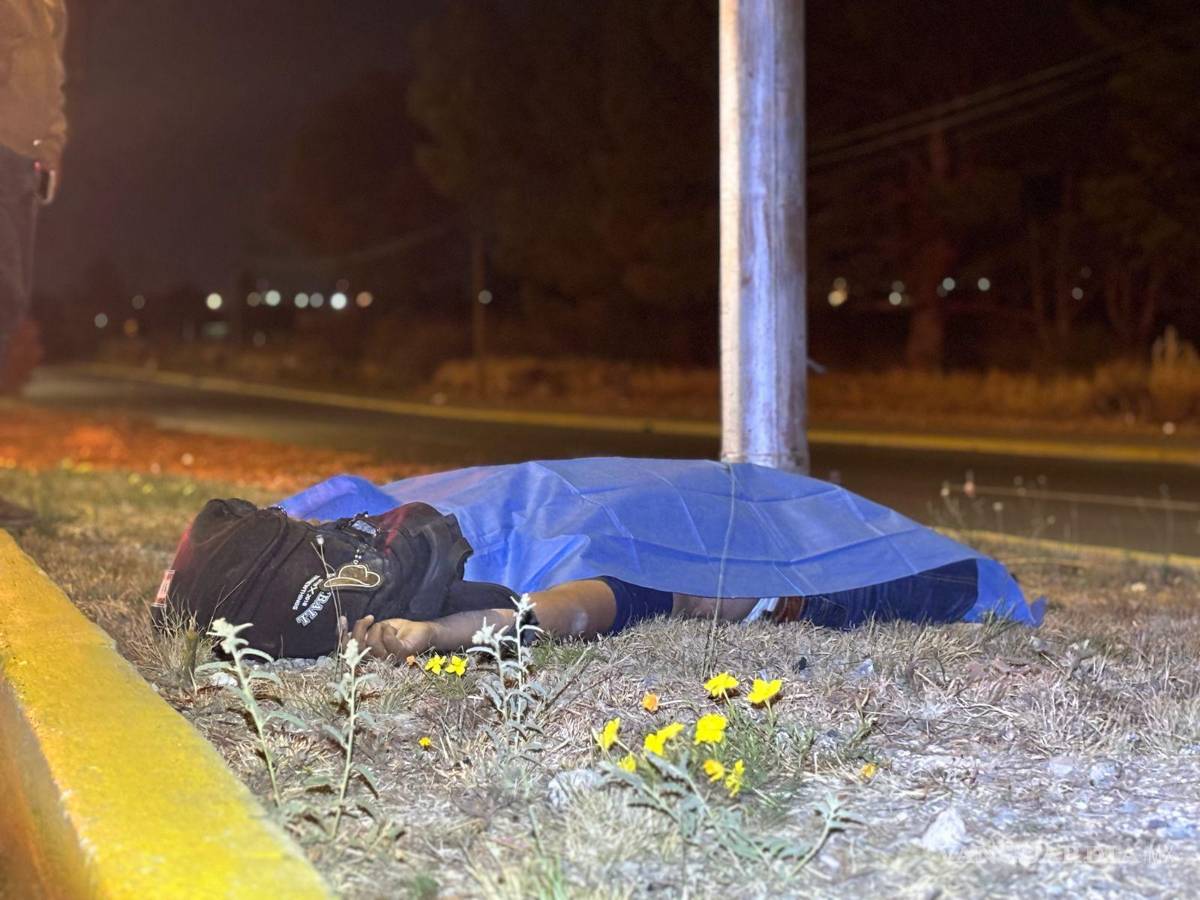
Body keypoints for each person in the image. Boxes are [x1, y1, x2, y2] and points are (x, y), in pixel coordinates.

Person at [159, 458, 1044, 658]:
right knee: (687, 581)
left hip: (681, 535)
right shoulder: (414, 545)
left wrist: (477, 630)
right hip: (675, 546)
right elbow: (606, 601)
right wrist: (483, 629)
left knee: (693, 575)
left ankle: (779, 596)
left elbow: (597, 602)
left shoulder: (387, 526)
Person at [0, 0, 67, 528]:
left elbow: (53, 86)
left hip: (23, 165)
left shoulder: (53, 7)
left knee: (9, 306)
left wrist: (53, 149)